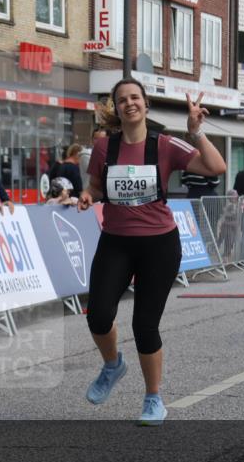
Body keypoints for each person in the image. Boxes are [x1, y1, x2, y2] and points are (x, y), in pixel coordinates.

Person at [78, 81, 226, 425]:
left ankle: (153, 398)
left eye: (135, 98)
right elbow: (96, 187)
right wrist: (88, 195)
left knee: (145, 325)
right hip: (116, 240)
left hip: (159, 244)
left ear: (145, 104)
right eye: (122, 100)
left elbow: (216, 167)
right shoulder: (104, 147)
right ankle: (113, 365)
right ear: (116, 108)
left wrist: (196, 131)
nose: (129, 103)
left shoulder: (164, 145)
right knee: (98, 315)